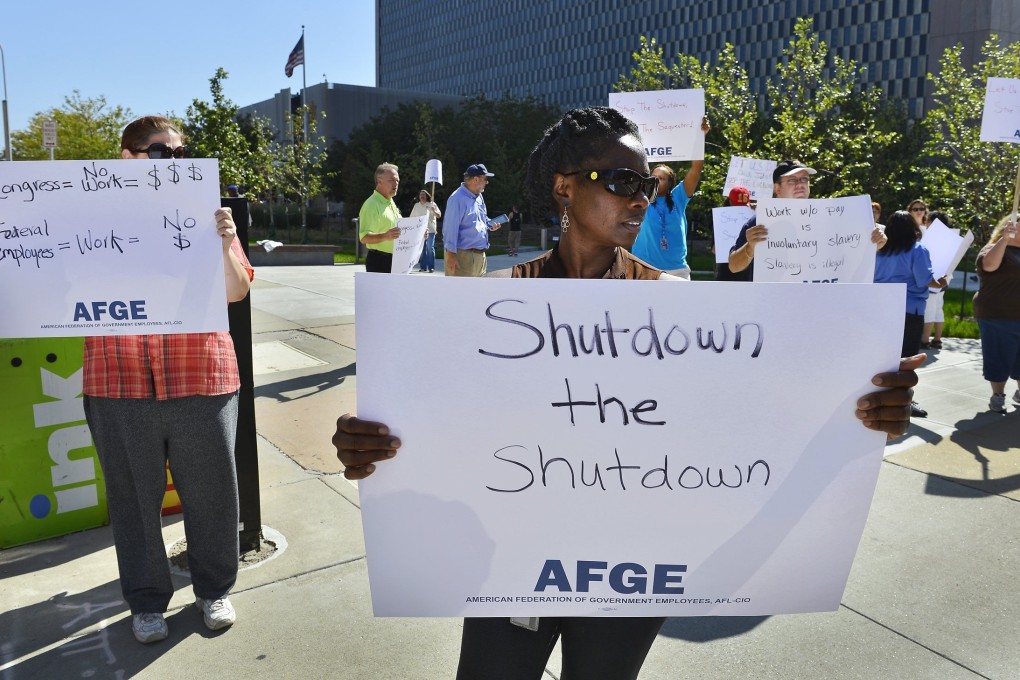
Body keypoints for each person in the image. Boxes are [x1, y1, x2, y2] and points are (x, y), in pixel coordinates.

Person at [333, 106, 922, 680]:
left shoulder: (677, 309)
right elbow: (438, 422)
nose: (640, 197)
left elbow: (762, 415)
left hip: (631, 571)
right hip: (511, 559)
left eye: (645, 183)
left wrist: (857, 407)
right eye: (620, 182)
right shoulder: (494, 305)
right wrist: (376, 445)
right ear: (564, 189)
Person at [83, 115, 253, 644]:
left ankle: (214, 588)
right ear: (128, 156)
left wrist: (225, 241)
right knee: (134, 501)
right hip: (118, 380)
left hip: (199, 374)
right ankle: (147, 600)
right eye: (162, 153)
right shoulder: (82, 215)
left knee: (212, 494)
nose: (175, 163)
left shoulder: (206, 212)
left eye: (182, 154)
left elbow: (236, 292)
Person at [728, 160, 888, 277]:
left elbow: (849, 254)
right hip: (772, 305)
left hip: (817, 305)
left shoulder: (831, 217)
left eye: (804, 179)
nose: (800, 184)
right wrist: (750, 247)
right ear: (777, 188)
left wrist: (875, 244)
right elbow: (734, 266)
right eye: (792, 180)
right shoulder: (759, 222)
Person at [873, 210, 947, 418]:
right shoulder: (918, 250)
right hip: (909, 310)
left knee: (882, 356)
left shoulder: (879, 251)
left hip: (880, 308)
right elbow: (924, 280)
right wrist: (941, 282)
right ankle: (904, 400)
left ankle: (880, 396)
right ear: (913, 229)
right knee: (906, 358)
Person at [629, 117, 710, 279]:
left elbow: (696, 169)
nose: (656, 180)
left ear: (670, 182)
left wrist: (701, 137)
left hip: (677, 270)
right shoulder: (639, 197)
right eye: (654, 177)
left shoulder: (679, 197)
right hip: (644, 268)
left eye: (662, 178)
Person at [973, 214, 1020, 413]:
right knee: (999, 356)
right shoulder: (992, 249)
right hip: (997, 315)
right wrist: (1005, 240)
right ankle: (998, 395)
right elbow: (989, 265)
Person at [444, 164, 502, 277]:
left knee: (479, 294)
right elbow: (450, 229)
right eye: (485, 179)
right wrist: (451, 256)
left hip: (481, 256)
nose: (487, 182)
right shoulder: (457, 199)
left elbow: (482, 219)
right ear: (475, 179)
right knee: (460, 293)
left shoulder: (479, 196)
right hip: (462, 257)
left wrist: (490, 224)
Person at [359, 163, 403, 273]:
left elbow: (400, 231)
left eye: (397, 180)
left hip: (395, 260)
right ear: (379, 181)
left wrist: (419, 234)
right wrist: (385, 236)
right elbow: (364, 237)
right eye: (391, 180)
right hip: (380, 261)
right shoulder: (371, 204)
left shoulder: (390, 202)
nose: (395, 184)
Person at [920, 209, 953, 349]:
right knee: (938, 307)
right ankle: (937, 339)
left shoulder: (933, 237)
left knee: (930, 308)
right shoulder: (951, 237)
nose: (926, 223)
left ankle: (924, 340)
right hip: (945, 276)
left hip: (934, 277)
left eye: (928, 220)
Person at [715, 186, 753, 281]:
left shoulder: (721, 219)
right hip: (747, 272)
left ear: (730, 201)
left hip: (726, 273)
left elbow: (714, 249)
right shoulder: (754, 218)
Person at [411, 189, 441, 272]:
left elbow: (439, 215)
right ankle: (423, 267)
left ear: (427, 196)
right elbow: (412, 217)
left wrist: (433, 210)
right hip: (420, 231)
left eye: (424, 195)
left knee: (429, 248)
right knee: (422, 249)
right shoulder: (416, 205)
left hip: (430, 230)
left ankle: (431, 267)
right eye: (421, 195)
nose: (422, 196)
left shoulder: (432, 204)